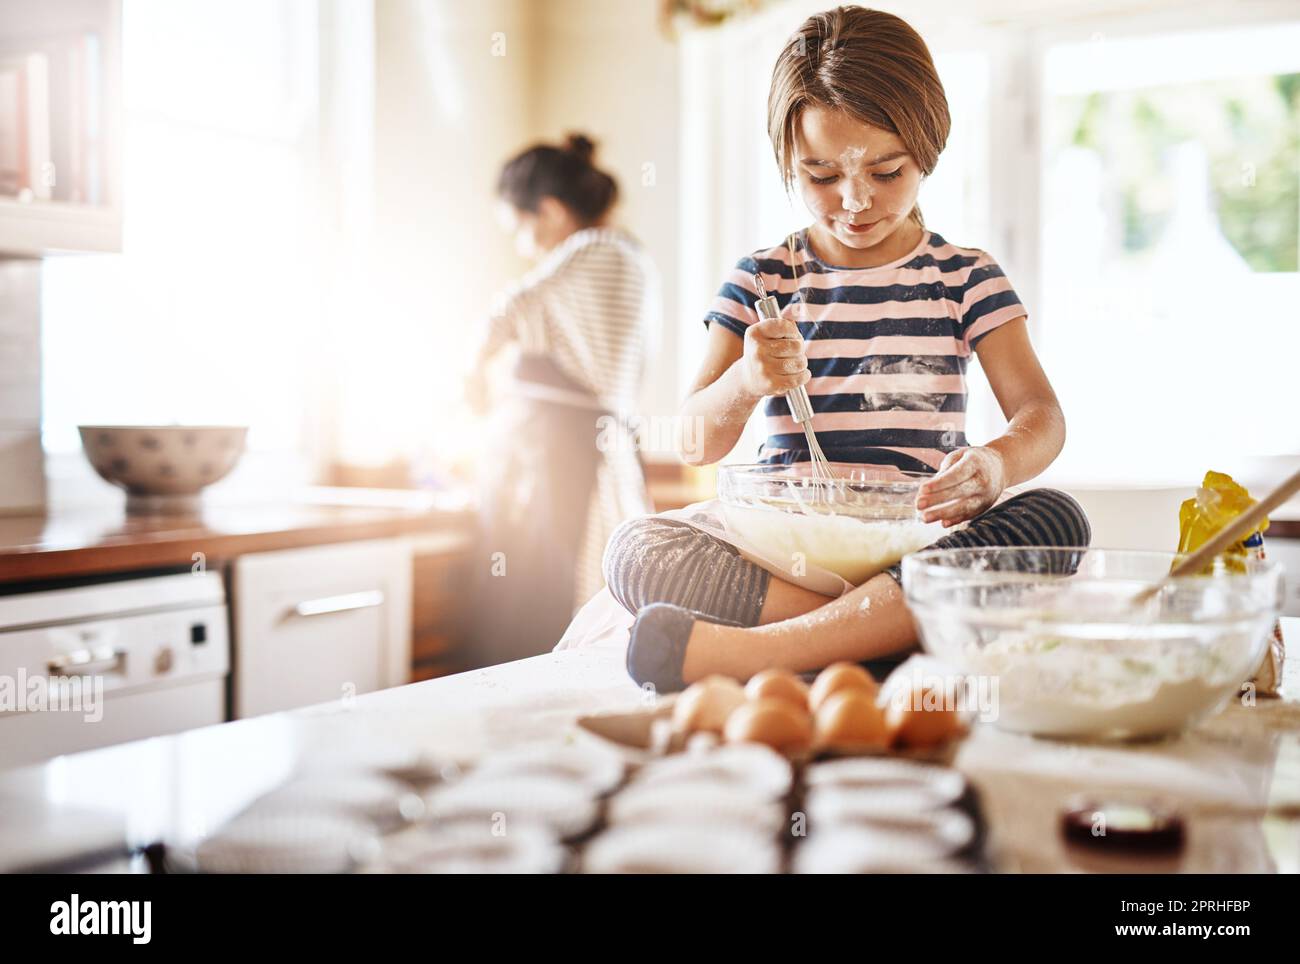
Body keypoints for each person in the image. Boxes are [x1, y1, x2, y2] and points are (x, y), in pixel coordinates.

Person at [598, 6, 1091, 691]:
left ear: (929, 146)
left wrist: (994, 464)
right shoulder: (761, 277)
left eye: (886, 171)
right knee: (635, 548)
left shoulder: (965, 276)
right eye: (822, 176)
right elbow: (692, 443)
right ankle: (886, 637)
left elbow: (1042, 417)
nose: (855, 201)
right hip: (782, 551)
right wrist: (745, 381)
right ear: (787, 160)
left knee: (1055, 519)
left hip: (919, 540)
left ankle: (756, 654)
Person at [465, 134, 658, 666]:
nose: (524, 249)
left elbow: (513, 307)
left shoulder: (602, 251)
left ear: (548, 213)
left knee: (566, 622)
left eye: (519, 230)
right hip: (569, 464)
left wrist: (473, 367)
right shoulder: (608, 259)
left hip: (575, 468)